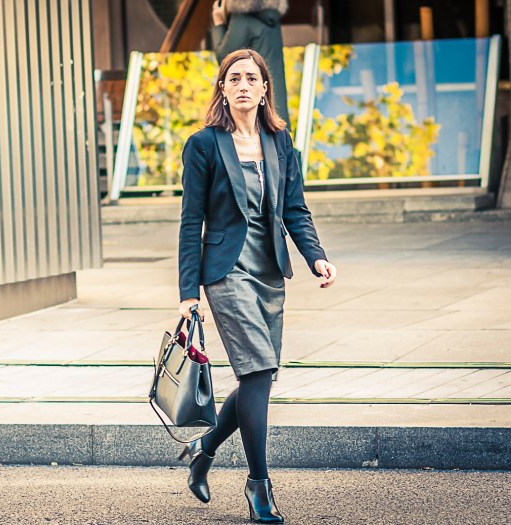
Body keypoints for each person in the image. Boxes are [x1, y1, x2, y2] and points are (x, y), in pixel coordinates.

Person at [176, 48, 336, 523]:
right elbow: (191, 223)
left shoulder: (281, 144)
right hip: (225, 273)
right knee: (259, 371)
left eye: (252, 78)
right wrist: (189, 293)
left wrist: (317, 256)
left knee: (257, 376)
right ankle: (258, 486)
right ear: (222, 89)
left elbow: (294, 210)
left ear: (265, 88)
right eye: (234, 78)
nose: (243, 85)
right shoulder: (203, 145)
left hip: (269, 272)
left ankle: (204, 447)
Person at [211, 0, 291, 125]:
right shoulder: (270, 17)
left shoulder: (243, 19)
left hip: (254, 114)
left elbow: (225, 59)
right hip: (274, 109)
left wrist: (219, 23)